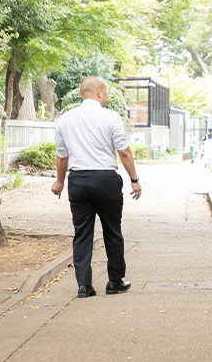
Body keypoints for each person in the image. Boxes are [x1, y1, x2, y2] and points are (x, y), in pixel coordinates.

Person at [52, 77, 142, 298]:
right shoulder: (110, 116)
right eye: (107, 93)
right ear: (99, 93)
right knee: (112, 230)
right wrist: (134, 180)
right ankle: (114, 281)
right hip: (105, 180)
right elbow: (124, 152)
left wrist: (60, 181)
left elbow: (62, 155)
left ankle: (84, 285)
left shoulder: (66, 119)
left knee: (82, 233)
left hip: (78, 181)